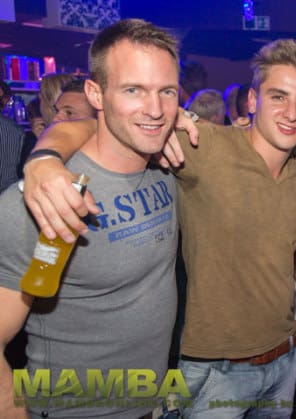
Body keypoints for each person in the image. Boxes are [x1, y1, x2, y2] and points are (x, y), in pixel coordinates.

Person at [21, 38, 296, 419]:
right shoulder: (203, 145)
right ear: (252, 100)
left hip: (284, 360)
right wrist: (45, 158)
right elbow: (105, 126)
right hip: (216, 372)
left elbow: (292, 244)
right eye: (278, 96)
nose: (292, 112)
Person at [0, 18, 181, 419]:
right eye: (133, 90)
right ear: (96, 94)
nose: (155, 110)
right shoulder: (45, 200)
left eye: (166, 91)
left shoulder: (168, 166)